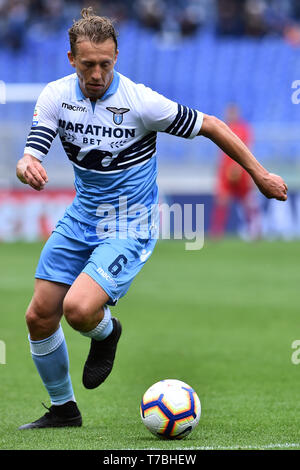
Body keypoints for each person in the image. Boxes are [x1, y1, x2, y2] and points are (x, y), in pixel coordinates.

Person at [16, 7, 288, 429]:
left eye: (106, 64)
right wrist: (26, 163)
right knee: (38, 315)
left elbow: (213, 125)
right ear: (71, 59)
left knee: (77, 310)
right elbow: (32, 149)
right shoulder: (55, 96)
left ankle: (107, 334)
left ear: (117, 56)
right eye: (87, 64)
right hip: (82, 216)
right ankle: (63, 410)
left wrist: (260, 173)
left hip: (130, 223)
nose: (97, 73)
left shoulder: (142, 103)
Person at [210, 104, 261, 239]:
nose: (230, 115)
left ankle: (254, 230)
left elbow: (247, 149)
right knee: (221, 201)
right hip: (225, 173)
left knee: (247, 202)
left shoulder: (244, 129)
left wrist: (238, 167)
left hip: (241, 172)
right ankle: (217, 232)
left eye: (232, 113)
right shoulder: (222, 127)